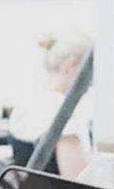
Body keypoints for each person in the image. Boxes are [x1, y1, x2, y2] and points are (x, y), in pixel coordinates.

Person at [6, 32, 92, 176]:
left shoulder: (28, 101)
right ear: (72, 65)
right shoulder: (57, 108)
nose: (90, 84)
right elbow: (77, 180)